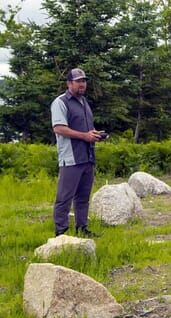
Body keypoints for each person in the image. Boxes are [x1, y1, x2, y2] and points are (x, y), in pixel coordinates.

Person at [51, 68, 106, 237]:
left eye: (84, 81)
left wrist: (95, 134)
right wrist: (85, 136)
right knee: (64, 198)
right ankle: (61, 233)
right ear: (69, 83)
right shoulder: (60, 102)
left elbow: (86, 129)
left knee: (83, 197)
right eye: (78, 81)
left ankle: (82, 228)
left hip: (87, 157)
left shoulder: (83, 102)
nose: (82, 84)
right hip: (71, 158)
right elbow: (59, 128)